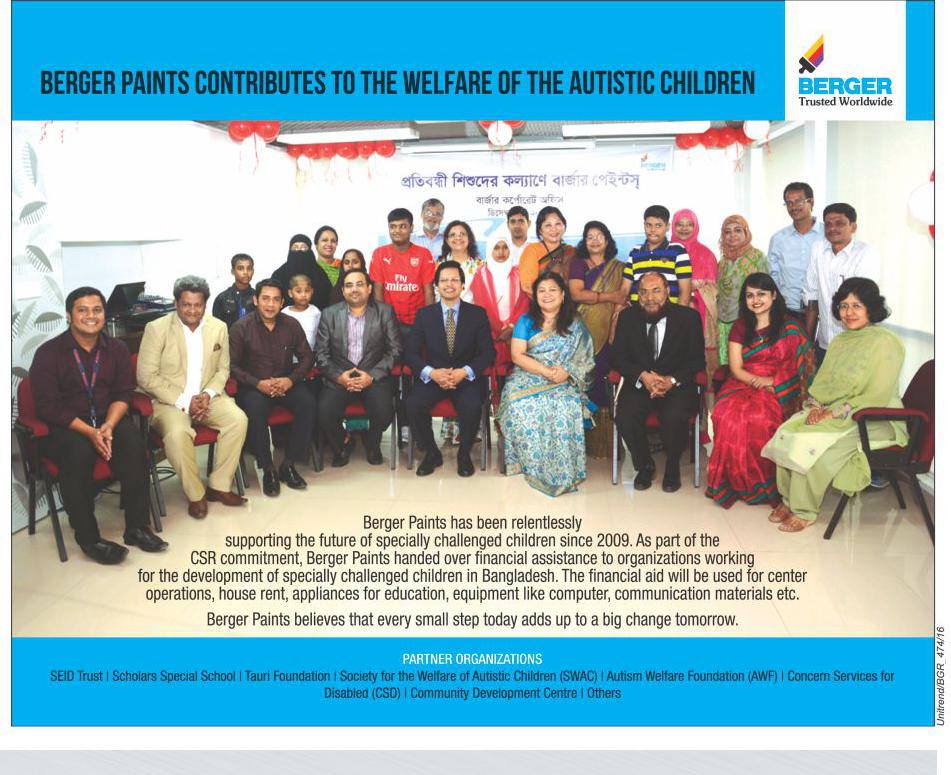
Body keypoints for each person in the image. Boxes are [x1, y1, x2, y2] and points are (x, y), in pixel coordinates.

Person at [29, 286, 167, 563]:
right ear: (69, 315)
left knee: (133, 444)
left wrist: (108, 426)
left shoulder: (117, 349)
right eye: (82, 310)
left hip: (107, 420)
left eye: (97, 310)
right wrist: (90, 432)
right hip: (67, 426)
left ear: (105, 314)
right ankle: (89, 539)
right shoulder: (48, 353)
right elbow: (48, 407)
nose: (91, 316)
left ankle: (137, 527)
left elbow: (123, 393)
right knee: (78, 453)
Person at [762, 278, 906, 532]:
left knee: (812, 444)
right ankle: (789, 499)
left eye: (857, 306)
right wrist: (815, 407)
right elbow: (823, 384)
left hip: (874, 417)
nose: (849, 312)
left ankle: (804, 511)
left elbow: (877, 395)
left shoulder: (886, 342)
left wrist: (831, 413)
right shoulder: (840, 341)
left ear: (871, 308)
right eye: (844, 306)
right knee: (788, 431)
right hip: (835, 411)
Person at [137, 275, 249, 518]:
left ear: (205, 304)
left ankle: (219, 486)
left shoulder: (218, 327)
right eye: (186, 304)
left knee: (238, 420)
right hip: (169, 402)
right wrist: (185, 401)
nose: (192, 310)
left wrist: (207, 394)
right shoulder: (156, 329)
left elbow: (223, 370)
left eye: (198, 305)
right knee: (178, 434)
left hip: (208, 397)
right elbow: (146, 377)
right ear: (176, 303)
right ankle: (196, 494)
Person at [705, 273, 813, 510]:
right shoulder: (740, 326)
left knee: (760, 418)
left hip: (781, 384)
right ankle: (734, 482)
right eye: (750, 295)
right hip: (744, 380)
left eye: (761, 294)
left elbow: (802, 366)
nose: (755, 300)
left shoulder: (790, 326)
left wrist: (775, 382)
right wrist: (759, 381)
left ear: (773, 296)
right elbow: (736, 368)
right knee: (726, 414)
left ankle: (765, 485)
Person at [497, 272, 595, 496]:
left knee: (564, 404)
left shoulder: (575, 323)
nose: (547, 295)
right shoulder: (526, 321)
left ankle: (563, 467)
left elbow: (585, 358)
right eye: (542, 291)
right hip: (528, 373)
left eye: (552, 290)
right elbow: (517, 355)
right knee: (517, 403)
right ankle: (528, 463)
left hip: (564, 377)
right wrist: (546, 372)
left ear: (562, 294)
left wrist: (567, 372)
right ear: (535, 296)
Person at [611, 272, 704, 493]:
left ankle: (672, 467)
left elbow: (697, 361)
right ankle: (645, 465)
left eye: (656, 291)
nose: (649, 298)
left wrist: (672, 380)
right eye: (643, 292)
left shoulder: (689, 318)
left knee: (674, 415)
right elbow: (619, 358)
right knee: (625, 415)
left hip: (676, 385)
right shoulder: (627, 317)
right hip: (640, 383)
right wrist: (642, 375)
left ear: (668, 292)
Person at [404, 260, 495, 477]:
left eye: (454, 280)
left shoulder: (477, 314)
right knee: (413, 404)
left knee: (472, 405)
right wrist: (431, 373)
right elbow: (410, 353)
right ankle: (432, 453)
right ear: (437, 285)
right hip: (434, 377)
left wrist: (465, 372)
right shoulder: (425, 315)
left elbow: (488, 353)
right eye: (444, 280)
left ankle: (464, 454)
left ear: (463, 285)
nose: (449, 284)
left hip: (465, 378)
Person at [229, 278, 317, 497]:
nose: (270, 304)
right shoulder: (241, 327)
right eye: (265, 299)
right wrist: (257, 383)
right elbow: (231, 366)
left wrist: (291, 380)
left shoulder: (291, 325)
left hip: (285, 382)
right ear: (256, 300)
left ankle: (289, 464)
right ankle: (267, 468)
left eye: (276, 300)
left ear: (282, 302)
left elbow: (307, 357)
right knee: (255, 409)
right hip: (254, 385)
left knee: (308, 403)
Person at [315, 268, 402, 467]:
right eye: (349, 285)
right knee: (324, 412)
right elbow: (321, 354)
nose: (354, 289)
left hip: (373, 376)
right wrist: (339, 377)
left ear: (369, 288)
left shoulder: (385, 312)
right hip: (341, 376)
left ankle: (372, 443)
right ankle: (343, 444)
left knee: (384, 412)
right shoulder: (329, 314)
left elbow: (395, 350)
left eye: (359, 284)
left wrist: (371, 376)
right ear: (343, 291)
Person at [803, 203, 880, 366]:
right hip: (824, 342)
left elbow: (863, 303)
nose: (833, 228)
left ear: (853, 226)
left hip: (854, 345)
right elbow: (811, 295)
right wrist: (807, 343)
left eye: (839, 223)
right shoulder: (818, 248)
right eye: (828, 224)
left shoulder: (865, 253)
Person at [567, 220, 628, 407]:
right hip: (581, 329)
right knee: (583, 374)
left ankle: (605, 419)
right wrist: (610, 296)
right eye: (590, 237)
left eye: (599, 237)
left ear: (607, 240)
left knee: (604, 373)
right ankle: (582, 415)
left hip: (609, 328)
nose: (594, 241)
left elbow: (623, 298)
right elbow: (577, 294)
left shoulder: (619, 267)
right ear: (584, 242)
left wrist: (616, 316)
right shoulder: (578, 264)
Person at [370, 207, 436, 337]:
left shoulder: (424, 254)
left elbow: (428, 291)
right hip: (389, 323)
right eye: (393, 227)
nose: (397, 231)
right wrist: (382, 322)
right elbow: (378, 290)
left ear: (411, 228)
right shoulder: (379, 253)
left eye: (403, 226)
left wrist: (428, 322)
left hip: (417, 323)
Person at [671, 208, 719, 388]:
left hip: (700, 314)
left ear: (695, 227)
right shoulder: (666, 252)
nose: (684, 228)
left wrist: (691, 289)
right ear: (673, 226)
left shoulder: (706, 254)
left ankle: (705, 401)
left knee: (702, 365)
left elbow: (713, 288)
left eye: (689, 224)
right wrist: (689, 285)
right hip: (671, 313)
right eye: (679, 224)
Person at [469, 231, 529, 371]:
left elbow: (524, 304)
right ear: (489, 249)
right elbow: (480, 307)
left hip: (516, 333)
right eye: (496, 248)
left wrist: (512, 327)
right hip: (489, 333)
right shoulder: (480, 275)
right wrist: (498, 330)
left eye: (505, 247)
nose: (501, 252)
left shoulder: (519, 274)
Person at [716, 214, 768, 365]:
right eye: (727, 232)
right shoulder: (723, 261)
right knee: (726, 366)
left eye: (737, 230)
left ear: (746, 232)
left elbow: (765, 290)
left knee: (747, 364)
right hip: (724, 321)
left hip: (749, 321)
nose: (732, 235)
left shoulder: (757, 257)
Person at [767, 182, 823, 319]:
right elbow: (773, 275)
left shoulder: (827, 234)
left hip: (823, 311)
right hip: (787, 310)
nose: (793, 207)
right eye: (789, 203)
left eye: (798, 201)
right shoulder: (778, 239)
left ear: (811, 202)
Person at [621, 205, 692, 308]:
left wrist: (678, 316)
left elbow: (685, 292)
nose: (652, 230)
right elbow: (624, 290)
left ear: (667, 227)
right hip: (638, 313)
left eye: (658, 225)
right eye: (648, 225)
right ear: (644, 225)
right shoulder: (635, 252)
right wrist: (618, 310)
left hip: (669, 313)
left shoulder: (677, 250)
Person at [518, 205, 575, 294]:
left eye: (558, 224)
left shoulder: (571, 251)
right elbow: (527, 286)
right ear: (540, 230)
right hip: (542, 300)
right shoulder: (532, 250)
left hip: (568, 301)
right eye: (548, 225)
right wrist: (550, 300)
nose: (554, 229)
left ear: (564, 226)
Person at [271, 242, 333, 311]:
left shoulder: (320, 274)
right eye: (295, 248)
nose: (299, 251)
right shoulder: (279, 274)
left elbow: (329, 299)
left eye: (303, 248)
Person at [439, 220, 484, 302]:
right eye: (453, 235)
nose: (458, 238)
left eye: (462, 234)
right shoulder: (439, 265)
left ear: (469, 238)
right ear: (447, 240)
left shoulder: (480, 265)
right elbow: (436, 294)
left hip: (473, 309)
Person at [211, 253, 255, 328]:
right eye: (240, 268)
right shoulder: (222, 298)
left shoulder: (258, 297)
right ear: (233, 271)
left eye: (249, 268)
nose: (245, 272)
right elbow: (217, 329)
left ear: (253, 271)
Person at [281, 274, 322, 351]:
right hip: (288, 356)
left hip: (311, 355)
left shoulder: (315, 312)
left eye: (307, 291)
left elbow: (320, 336)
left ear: (312, 291)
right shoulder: (284, 313)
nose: (303, 295)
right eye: (298, 291)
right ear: (290, 293)